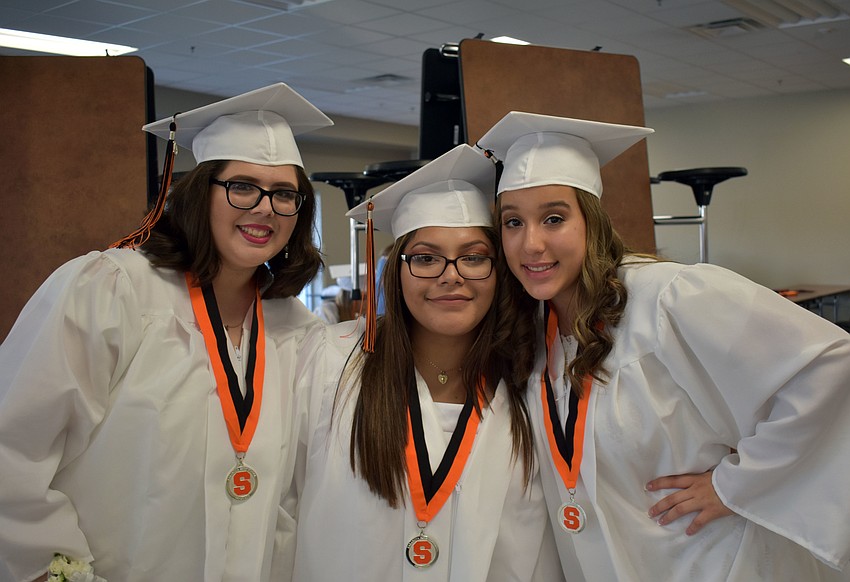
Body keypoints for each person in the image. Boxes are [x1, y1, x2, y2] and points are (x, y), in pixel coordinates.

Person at [477, 111, 850, 581]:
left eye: (554, 218)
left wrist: (735, 485)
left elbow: (832, 365)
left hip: (713, 564)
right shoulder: (533, 332)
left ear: (591, 221)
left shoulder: (668, 298)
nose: (531, 243)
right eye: (513, 222)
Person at [0, 83, 332, 582]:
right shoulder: (112, 290)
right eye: (242, 186)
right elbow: (14, 446)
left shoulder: (300, 334)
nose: (265, 207)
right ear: (201, 193)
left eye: (285, 194)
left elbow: (288, 505)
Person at [288, 144, 563, 581]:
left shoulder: (532, 380)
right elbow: (284, 503)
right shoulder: (330, 361)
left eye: (473, 257)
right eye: (426, 258)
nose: (450, 274)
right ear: (396, 271)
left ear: (500, 270)